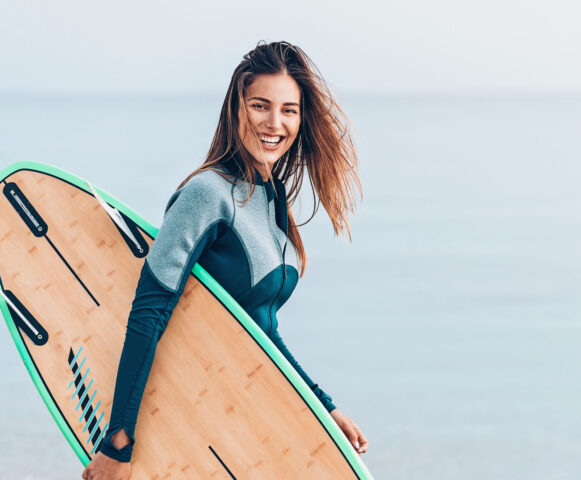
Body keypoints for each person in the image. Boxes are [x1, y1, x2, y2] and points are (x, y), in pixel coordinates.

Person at [82, 40, 368, 480]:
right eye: (261, 106)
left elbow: (262, 329)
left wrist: (322, 405)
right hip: (183, 415)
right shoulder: (206, 194)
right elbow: (148, 313)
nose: (275, 123)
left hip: (234, 418)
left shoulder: (272, 201)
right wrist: (117, 444)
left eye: (289, 110)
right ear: (237, 108)